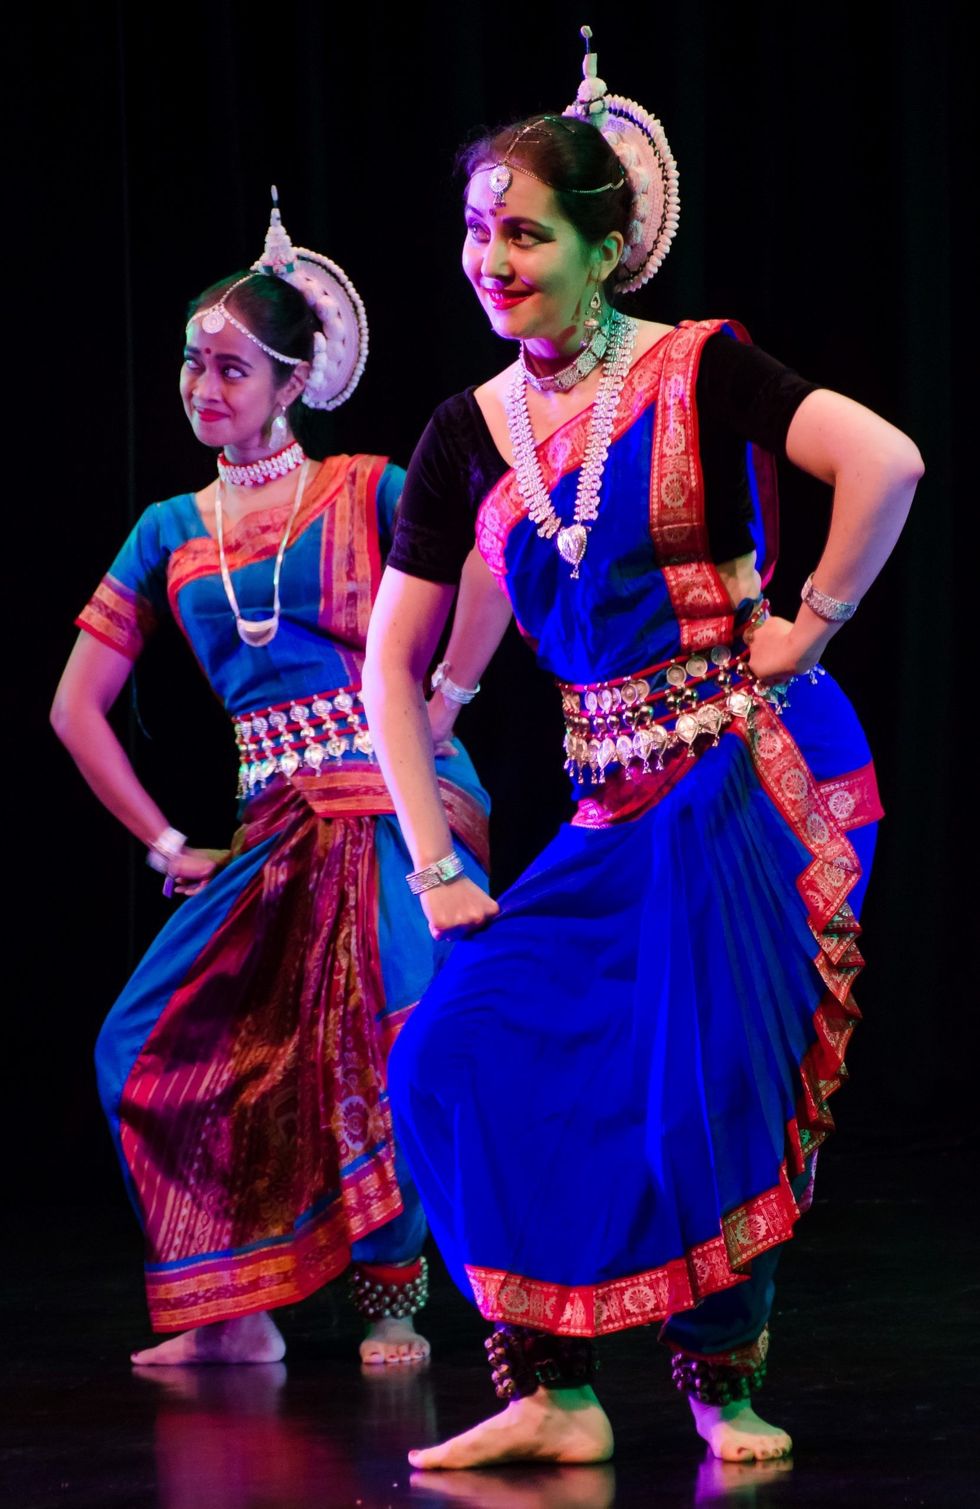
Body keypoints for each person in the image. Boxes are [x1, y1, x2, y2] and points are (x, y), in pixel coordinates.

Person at [361, 29, 922, 1465]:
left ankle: (722, 1392)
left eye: (526, 232)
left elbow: (886, 459)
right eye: (477, 230)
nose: (491, 257)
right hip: (608, 808)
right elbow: (391, 662)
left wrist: (812, 618)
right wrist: (432, 862)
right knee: (447, 1054)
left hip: (741, 774)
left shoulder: (699, 366)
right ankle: (549, 1390)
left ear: (606, 248)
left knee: (709, 1085)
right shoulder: (461, 433)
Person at [50, 194, 489, 1368]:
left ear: (295, 381)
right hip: (267, 824)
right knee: (146, 1044)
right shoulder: (167, 528)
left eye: (234, 367)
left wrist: (443, 701)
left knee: (379, 1027)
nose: (206, 386)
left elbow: (486, 554)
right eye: (194, 362)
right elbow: (73, 707)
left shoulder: (365, 487)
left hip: (390, 803)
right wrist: (159, 841)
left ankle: (394, 1299)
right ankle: (231, 1308)